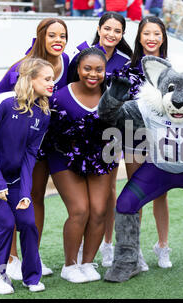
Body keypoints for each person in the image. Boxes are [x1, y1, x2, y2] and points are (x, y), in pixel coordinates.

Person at [0, 58, 54, 294]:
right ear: (31, 79)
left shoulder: (43, 113)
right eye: (47, 78)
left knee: (28, 222)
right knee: (5, 223)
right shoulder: (2, 102)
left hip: (13, 180)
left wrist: (24, 192)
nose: (52, 83)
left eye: (53, 78)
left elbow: (29, 156)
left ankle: (31, 277)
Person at [0, 17, 70, 281]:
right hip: (19, 143)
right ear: (40, 37)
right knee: (17, 196)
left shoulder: (67, 62)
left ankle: (31, 256)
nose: (58, 40)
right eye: (52, 35)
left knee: (36, 197)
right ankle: (12, 259)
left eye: (62, 36)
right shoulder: (23, 66)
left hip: (48, 140)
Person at [68, 12, 133, 268]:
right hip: (81, 133)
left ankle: (106, 243)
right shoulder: (82, 54)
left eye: (117, 31)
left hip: (110, 134)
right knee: (82, 195)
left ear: (122, 34)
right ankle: (83, 242)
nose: (111, 34)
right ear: (98, 28)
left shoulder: (126, 61)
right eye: (107, 29)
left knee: (107, 191)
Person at [47, 47, 115, 283]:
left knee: (99, 210)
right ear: (78, 69)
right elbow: (50, 134)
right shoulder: (60, 97)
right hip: (64, 157)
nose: (93, 74)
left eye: (99, 69)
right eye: (87, 68)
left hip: (101, 156)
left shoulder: (111, 97)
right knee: (80, 210)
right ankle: (70, 265)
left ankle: (87, 261)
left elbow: (119, 131)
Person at [122, 16, 172, 270]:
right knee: (137, 192)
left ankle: (163, 246)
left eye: (157, 33)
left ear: (163, 37)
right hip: (133, 138)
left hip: (163, 140)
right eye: (147, 33)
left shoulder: (173, 69)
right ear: (139, 37)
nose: (151, 38)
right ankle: (135, 249)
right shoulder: (127, 70)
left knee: (160, 194)